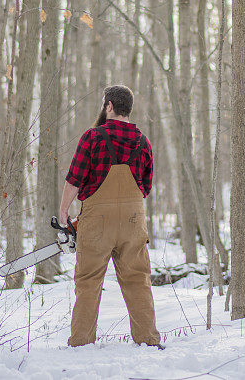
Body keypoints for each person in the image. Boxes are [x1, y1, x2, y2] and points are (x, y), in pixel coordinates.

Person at [59, 84, 162, 348]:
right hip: (132, 223)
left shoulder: (92, 137)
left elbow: (74, 180)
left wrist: (63, 214)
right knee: (138, 280)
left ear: (109, 106)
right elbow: (146, 186)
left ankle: (81, 342)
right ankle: (148, 340)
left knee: (89, 282)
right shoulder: (143, 141)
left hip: (97, 225)